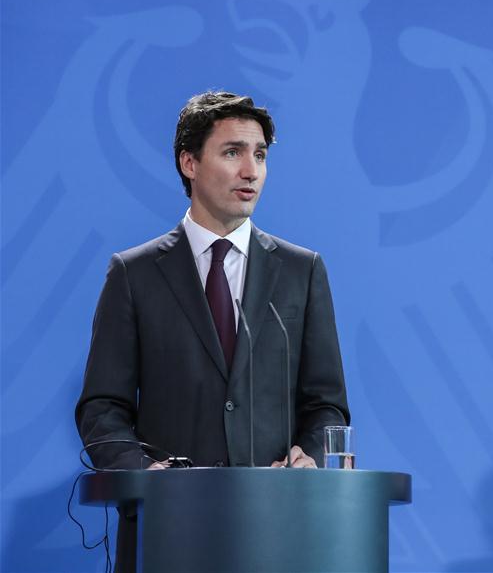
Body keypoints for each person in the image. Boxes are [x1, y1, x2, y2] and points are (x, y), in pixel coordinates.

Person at [75, 91, 350, 570]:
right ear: (189, 162)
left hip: (278, 526)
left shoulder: (301, 271)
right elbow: (102, 407)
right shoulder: (134, 273)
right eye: (232, 152)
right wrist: (144, 474)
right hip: (167, 527)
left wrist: (310, 455)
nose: (251, 171)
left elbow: (326, 402)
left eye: (260, 155)